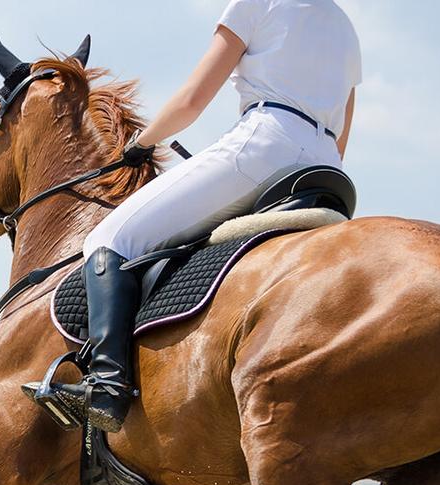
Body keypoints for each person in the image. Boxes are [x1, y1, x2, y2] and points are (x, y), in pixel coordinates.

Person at [46, 0, 361, 432]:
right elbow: (342, 136)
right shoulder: (346, 28)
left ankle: (107, 385)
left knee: (109, 239)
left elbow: (192, 101)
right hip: (324, 165)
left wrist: (140, 143)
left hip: (264, 142)